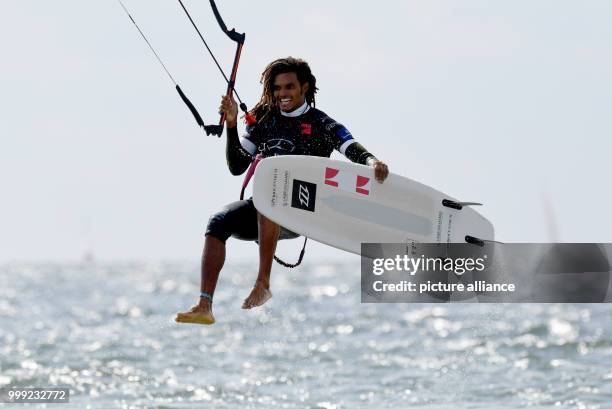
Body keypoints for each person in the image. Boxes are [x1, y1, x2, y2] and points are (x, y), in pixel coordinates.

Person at [175, 57, 389, 325]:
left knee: (272, 196)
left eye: (289, 87)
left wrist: (372, 162)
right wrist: (231, 125)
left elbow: (350, 146)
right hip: (266, 205)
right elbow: (237, 165)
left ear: (305, 87)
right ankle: (204, 305)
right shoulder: (264, 121)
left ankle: (262, 283)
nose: (282, 94)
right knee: (219, 221)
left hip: (304, 210)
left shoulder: (321, 123)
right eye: (277, 88)